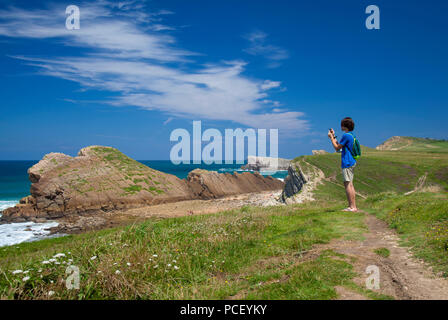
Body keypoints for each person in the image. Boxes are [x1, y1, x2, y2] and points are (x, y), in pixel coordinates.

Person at [328, 117, 358, 212]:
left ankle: (352, 207)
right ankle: (352, 206)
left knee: (348, 184)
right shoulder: (350, 135)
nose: (340, 126)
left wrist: (331, 138)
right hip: (351, 161)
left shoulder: (346, 136)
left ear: (344, 126)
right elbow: (340, 147)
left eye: (341, 124)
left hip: (347, 162)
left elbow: (337, 148)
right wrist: (334, 136)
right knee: (350, 184)